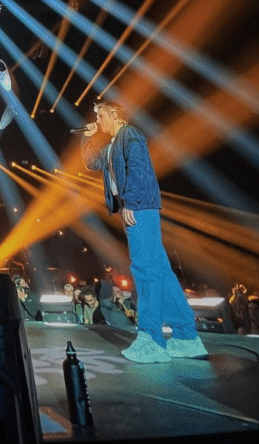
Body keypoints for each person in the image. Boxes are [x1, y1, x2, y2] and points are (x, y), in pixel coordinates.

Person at [82, 101, 207, 363]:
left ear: (115, 115)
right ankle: (186, 337)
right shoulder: (112, 145)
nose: (99, 120)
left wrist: (131, 201)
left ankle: (151, 339)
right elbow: (92, 163)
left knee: (145, 268)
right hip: (138, 207)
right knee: (160, 270)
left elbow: (138, 168)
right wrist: (88, 138)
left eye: (101, 115)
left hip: (140, 207)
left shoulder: (130, 135)